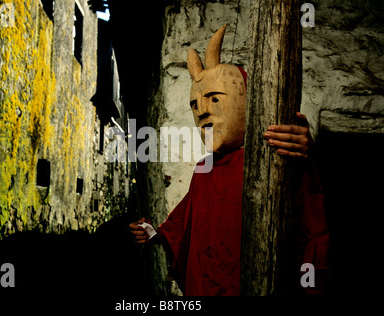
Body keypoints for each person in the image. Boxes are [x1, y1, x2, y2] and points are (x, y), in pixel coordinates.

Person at [129, 25, 329, 296]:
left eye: (214, 98)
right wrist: (155, 233)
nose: (202, 111)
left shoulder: (273, 157)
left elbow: (313, 226)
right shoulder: (204, 170)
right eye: (195, 104)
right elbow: (185, 225)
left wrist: (306, 155)